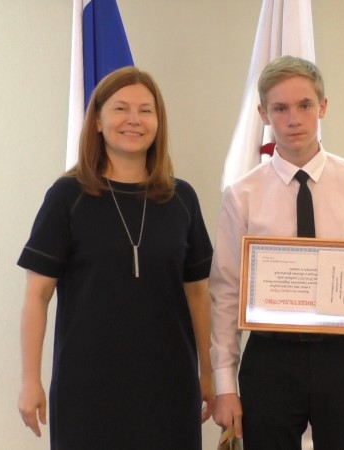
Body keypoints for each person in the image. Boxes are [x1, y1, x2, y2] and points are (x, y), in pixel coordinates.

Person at [209, 55, 344, 450]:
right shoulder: (242, 194)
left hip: (342, 357)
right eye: (280, 108)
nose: (294, 119)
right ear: (264, 114)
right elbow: (226, 292)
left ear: (323, 106)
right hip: (270, 359)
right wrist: (225, 385)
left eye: (305, 105)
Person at [17, 66, 215, 450]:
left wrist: (208, 373)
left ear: (158, 122)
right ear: (97, 121)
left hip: (169, 385)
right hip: (86, 386)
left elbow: (198, 295)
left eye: (145, 110)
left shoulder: (182, 199)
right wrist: (29, 380)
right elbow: (37, 295)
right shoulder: (67, 197)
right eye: (121, 108)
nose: (133, 120)